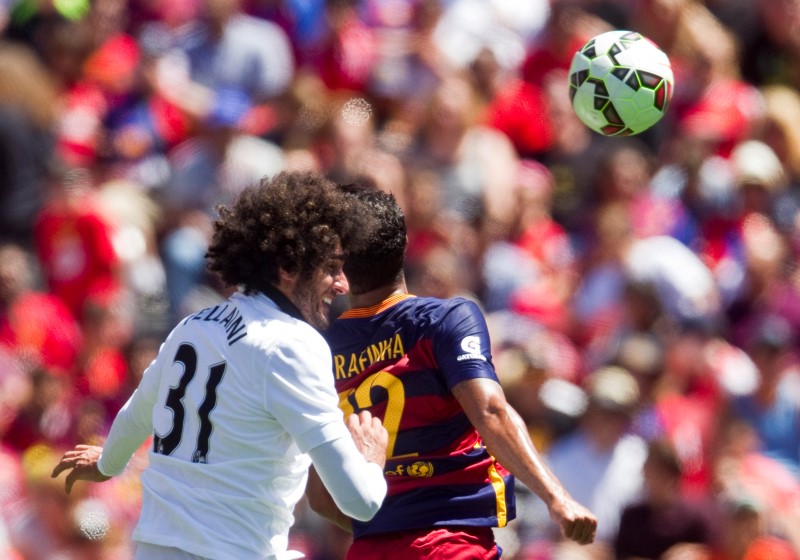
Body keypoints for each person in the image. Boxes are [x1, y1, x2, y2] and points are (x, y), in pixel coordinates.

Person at [50, 171, 389, 560]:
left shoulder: (191, 326)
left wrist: (108, 464)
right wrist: (371, 458)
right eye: (331, 267)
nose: (342, 284)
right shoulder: (292, 345)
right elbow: (360, 502)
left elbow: (139, 412)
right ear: (289, 269)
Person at [306, 185, 596, 559]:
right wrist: (558, 498)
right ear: (405, 243)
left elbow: (319, 497)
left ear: (340, 269)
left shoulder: (320, 348)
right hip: (451, 545)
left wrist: (384, 520)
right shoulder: (445, 321)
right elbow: (491, 413)